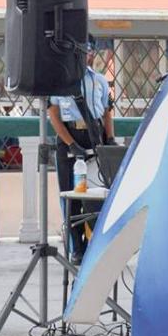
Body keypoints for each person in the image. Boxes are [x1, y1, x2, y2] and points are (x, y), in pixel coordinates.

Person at [48, 34, 114, 264]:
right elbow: (54, 115)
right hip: (70, 136)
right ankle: (78, 248)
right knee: (71, 195)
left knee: (98, 194)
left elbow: (107, 111)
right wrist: (70, 144)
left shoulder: (100, 81)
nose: (84, 54)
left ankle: (97, 243)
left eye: (87, 50)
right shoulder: (60, 81)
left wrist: (111, 139)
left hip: (94, 137)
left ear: (92, 52)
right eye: (79, 50)